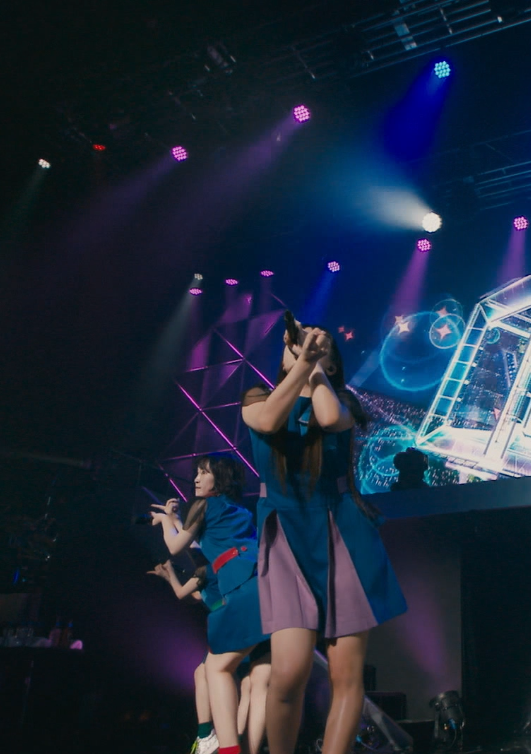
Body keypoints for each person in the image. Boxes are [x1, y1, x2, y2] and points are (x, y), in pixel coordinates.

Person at [241, 316, 406, 754]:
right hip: (285, 536)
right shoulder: (257, 398)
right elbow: (268, 422)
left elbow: (329, 417)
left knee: (345, 676)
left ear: (332, 365)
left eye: (321, 346)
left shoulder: (341, 401)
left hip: (342, 533)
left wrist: (312, 367)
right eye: (297, 342)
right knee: (287, 673)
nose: (307, 346)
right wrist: (303, 363)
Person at [152, 455, 268, 754]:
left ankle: (221, 746)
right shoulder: (240, 512)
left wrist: (165, 522)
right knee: (259, 681)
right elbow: (201, 540)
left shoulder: (203, 505)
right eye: (197, 473)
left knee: (214, 670)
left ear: (220, 478)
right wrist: (175, 519)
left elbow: (176, 546)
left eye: (204, 473)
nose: (196, 478)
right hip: (267, 585)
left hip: (243, 589)